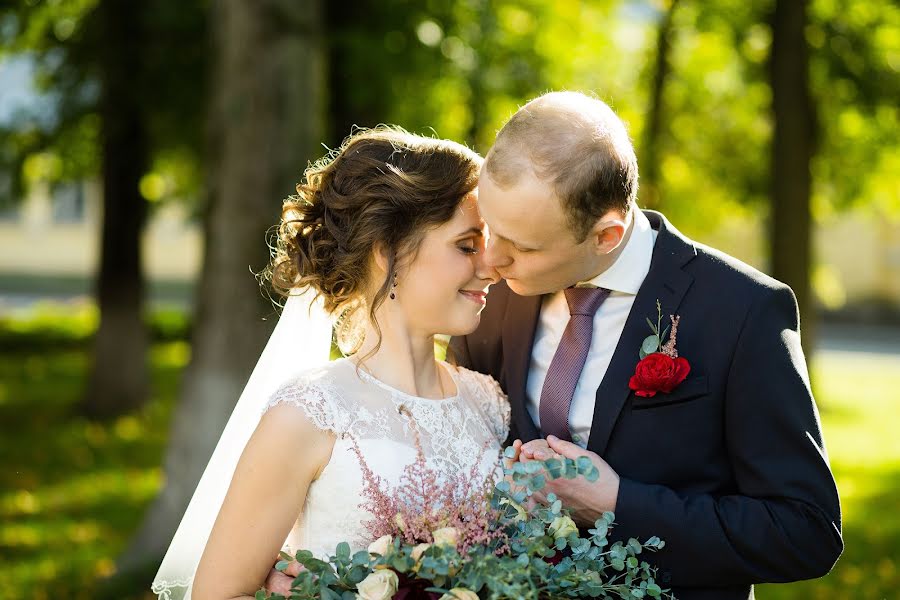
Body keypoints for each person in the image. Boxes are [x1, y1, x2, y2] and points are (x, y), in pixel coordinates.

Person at [449, 91, 843, 600]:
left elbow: (804, 530)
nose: (491, 260)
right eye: (489, 229)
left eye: (523, 246)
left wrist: (618, 504)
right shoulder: (491, 294)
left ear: (607, 235)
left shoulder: (741, 311)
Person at [151, 127, 510, 600]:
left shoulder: (489, 403)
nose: (489, 267)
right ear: (390, 252)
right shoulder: (308, 414)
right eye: (467, 246)